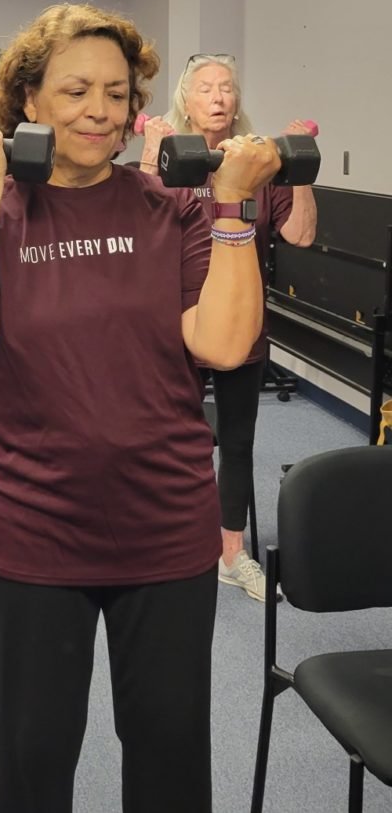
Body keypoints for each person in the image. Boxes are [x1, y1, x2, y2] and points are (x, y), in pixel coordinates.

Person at [0, 3, 281, 811]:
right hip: (35, 524)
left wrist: (231, 206)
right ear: (30, 102)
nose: (99, 111)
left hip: (165, 521)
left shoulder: (172, 208)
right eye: (76, 89)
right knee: (33, 755)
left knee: (169, 752)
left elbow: (222, 345)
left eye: (116, 93)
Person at [138, 54, 318, 601]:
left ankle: (231, 554)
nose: (218, 97)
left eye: (227, 88)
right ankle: (166, 543)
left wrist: (299, 166)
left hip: (242, 319)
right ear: (185, 101)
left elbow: (301, 235)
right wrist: (149, 159)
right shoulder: (172, 159)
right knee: (167, 436)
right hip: (173, 321)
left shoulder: (258, 163)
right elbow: (136, 235)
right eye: (205, 88)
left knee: (237, 441)